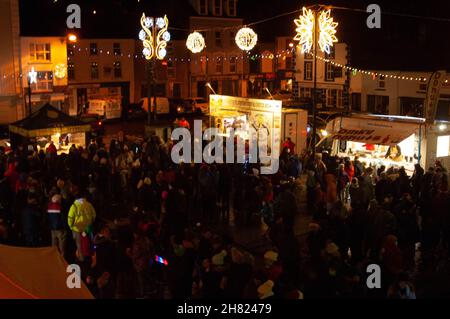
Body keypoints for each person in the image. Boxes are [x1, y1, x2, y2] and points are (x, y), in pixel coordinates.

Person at [67, 189, 97, 262]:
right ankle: (91, 256)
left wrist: (71, 227)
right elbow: (94, 215)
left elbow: (70, 218)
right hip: (88, 228)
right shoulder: (89, 204)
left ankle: (82, 259)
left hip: (78, 229)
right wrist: (90, 223)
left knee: (79, 244)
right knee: (90, 241)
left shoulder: (74, 206)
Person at [47, 190, 66, 257]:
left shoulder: (49, 207)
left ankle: (54, 256)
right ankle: (62, 256)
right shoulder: (60, 207)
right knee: (61, 244)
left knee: (54, 243)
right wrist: (65, 227)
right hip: (60, 228)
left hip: (52, 228)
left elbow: (47, 218)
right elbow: (63, 219)